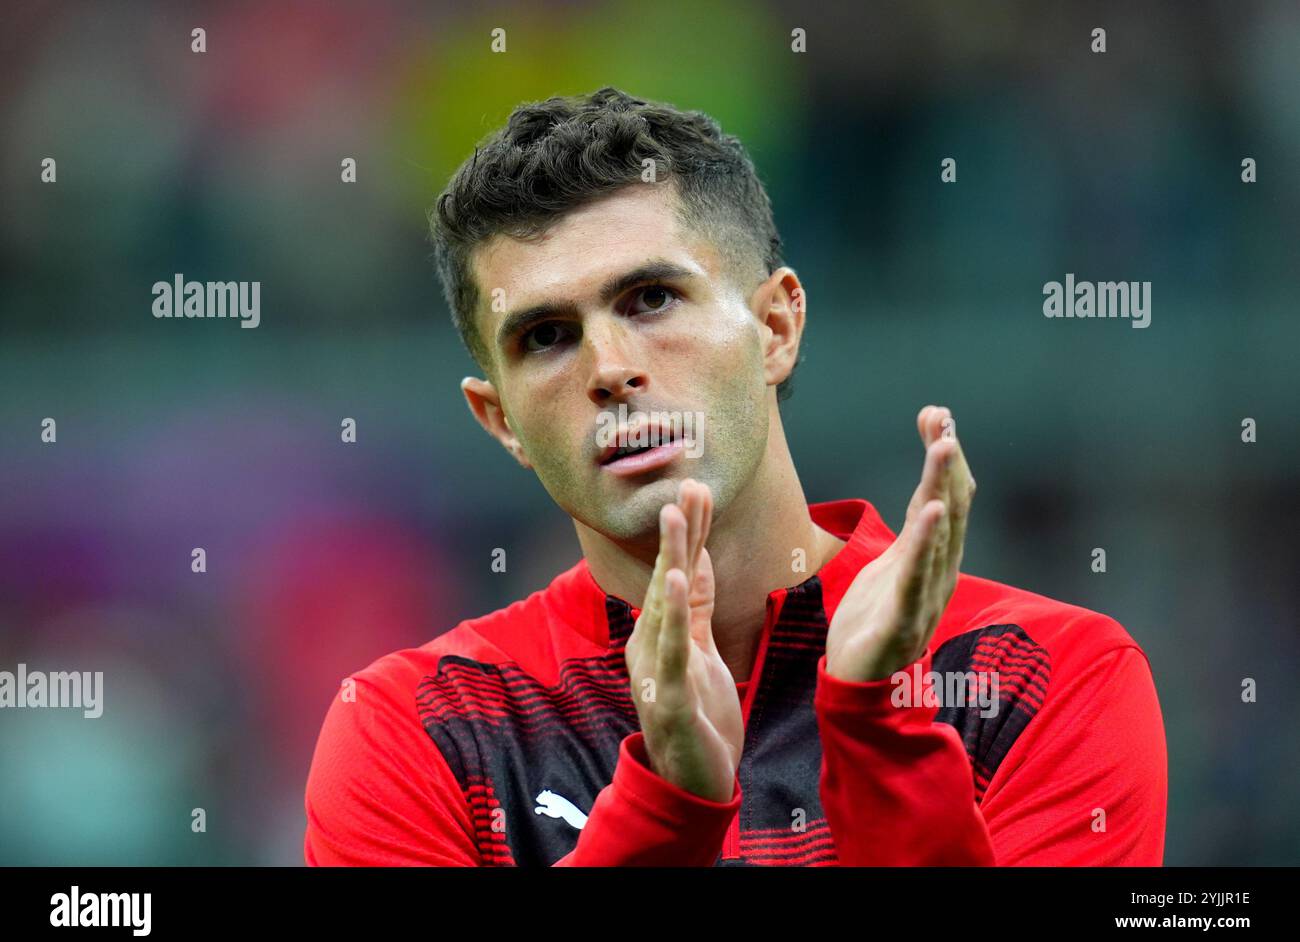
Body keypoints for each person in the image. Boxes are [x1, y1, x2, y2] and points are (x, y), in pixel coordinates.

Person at [303, 87, 1167, 866]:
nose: (609, 368)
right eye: (547, 337)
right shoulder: (416, 735)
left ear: (777, 326)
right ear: (503, 423)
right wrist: (665, 810)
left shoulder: (1045, 676)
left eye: (651, 299)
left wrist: (878, 730)